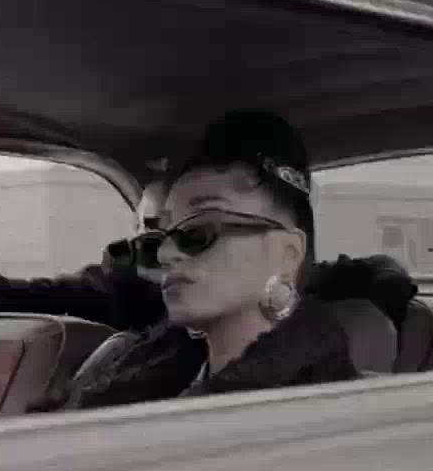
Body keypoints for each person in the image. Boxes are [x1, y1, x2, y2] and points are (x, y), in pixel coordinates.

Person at [47, 109, 361, 410]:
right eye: (162, 235)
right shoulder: (143, 373)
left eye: (198, 231)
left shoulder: (323, 413)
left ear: (287, 254)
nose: (165, 254)